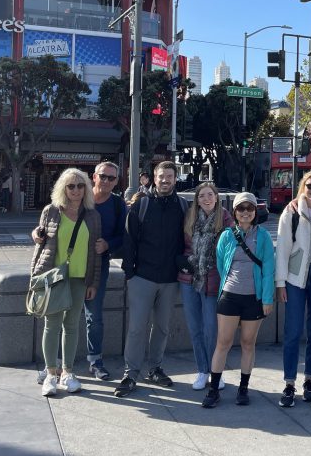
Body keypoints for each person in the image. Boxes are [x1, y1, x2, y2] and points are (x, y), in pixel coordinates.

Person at [115, 161, 188, 398]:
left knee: (163, 328)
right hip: (142, 277)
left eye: (169, 176)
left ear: (175, 179)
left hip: (169, 278)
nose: (165, 180)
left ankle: (155, 368)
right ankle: (131, 373)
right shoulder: (142, 204)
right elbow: (129, 239)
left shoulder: (183, 205)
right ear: (153, 179)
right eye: (161, 176)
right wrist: (130, 273)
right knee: (136, 328)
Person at [30, 168, 101, 397]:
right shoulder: (51, 211)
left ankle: (67, 372)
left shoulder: (92, 214)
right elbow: (40, 239)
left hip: (81, 278)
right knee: (52, 325)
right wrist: (36, 234)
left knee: (71, 326)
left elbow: (95, 252)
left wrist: (93, 282)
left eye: (80, 186)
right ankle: (51, 373)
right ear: (63, 188)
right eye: (71, 186)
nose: (76, 190)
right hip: (55, 277)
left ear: (86, 189)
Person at [201, 192, 275, 408]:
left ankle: (243, 388)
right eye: (241, 208)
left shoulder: (263, 237)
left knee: (248, 343)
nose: (245, 212)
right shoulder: (226, 235)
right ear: (234, 212)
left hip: (254, 297)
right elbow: (221, 263)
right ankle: (213, 390)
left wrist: (267, 299)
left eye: (249, 208)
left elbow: (269, 269)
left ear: (255, 211)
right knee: (222, 343)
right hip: (230, 296)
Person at [275, 170, 311, 407]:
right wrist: (280, 282)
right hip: (295, 278)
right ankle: (289, 383)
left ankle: (309, 379)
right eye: (309, 186)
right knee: (293, 332)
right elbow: (283, 248)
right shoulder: (291, 211)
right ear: (302, 187)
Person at [179, 181, 234, 391]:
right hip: (189, 279)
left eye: (210, 195)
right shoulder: (190, 218)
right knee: (195, 328)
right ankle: (202, 370)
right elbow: (183, 246)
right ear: (197, 200)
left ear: (217, 197)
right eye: (201, 196)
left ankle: (216, 371)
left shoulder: (225, 218)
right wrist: (185, 262)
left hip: (213, 280)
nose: (206, 199)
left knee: (212, 329)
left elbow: (231, 250)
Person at [87, 161, 127, 380]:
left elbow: (124, 236)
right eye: (103, 176)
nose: (106, 181)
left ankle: (95, 360)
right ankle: (55, 364)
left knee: (94, 316)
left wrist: (108, 245)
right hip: (71, 265)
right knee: (65, 313)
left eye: (112, 178)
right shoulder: (79, 197)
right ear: (94, 176)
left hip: (98, 265)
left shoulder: (118, 204)